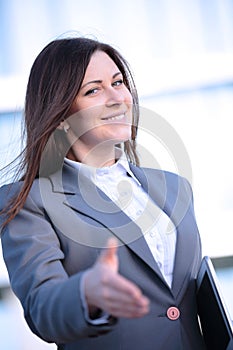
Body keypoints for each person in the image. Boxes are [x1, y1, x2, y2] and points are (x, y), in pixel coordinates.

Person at [0, 36, 206, 349]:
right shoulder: (30, 203)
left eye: (118, 82)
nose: (116, 98)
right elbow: (43, 307)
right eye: (93, 90)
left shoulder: (174, 186)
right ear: (62, 117)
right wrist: (86, 292)